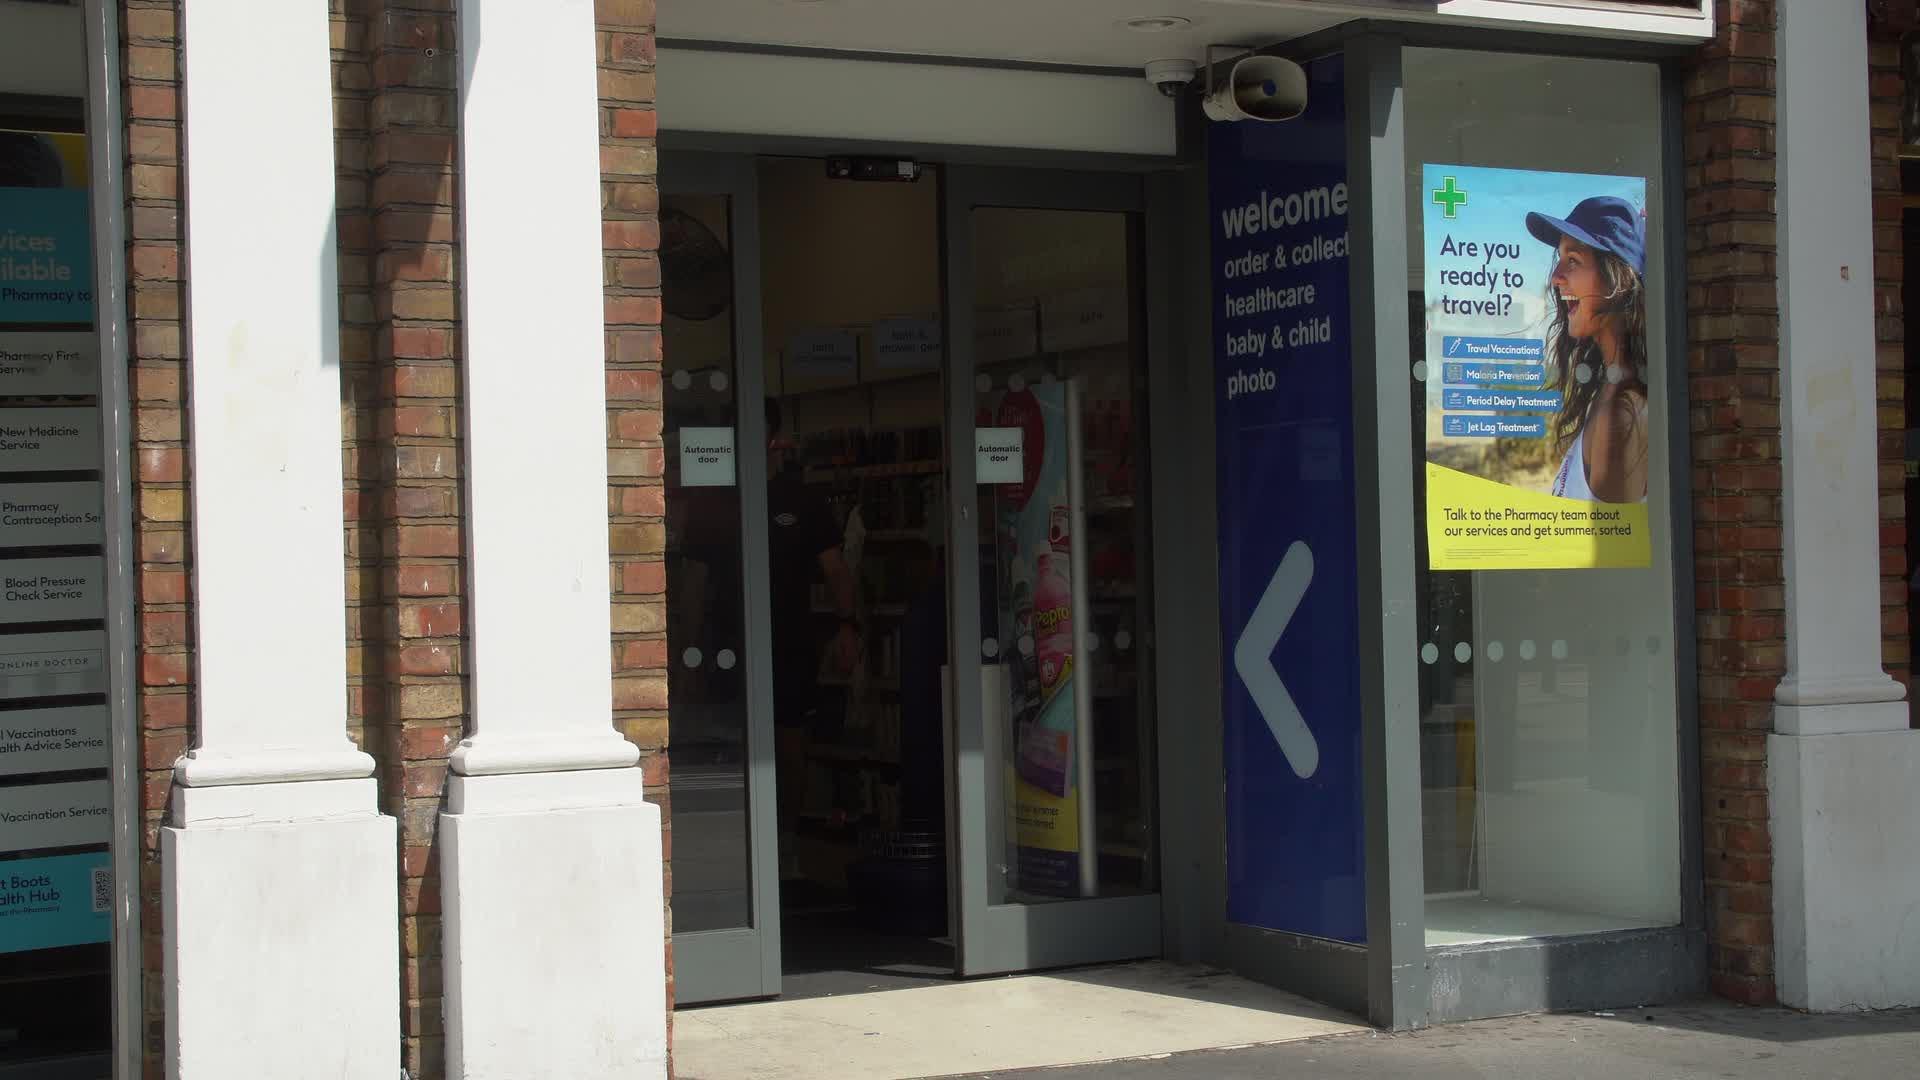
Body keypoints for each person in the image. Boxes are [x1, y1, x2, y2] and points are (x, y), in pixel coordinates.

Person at [764, 399, 859, 875]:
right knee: (729, 747)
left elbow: (836, 569)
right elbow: (697, 573)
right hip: (728, 648)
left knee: (790, 747)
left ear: (773, 438)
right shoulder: (717, 495)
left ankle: (785, 843)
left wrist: (847, 625)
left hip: (789, 644)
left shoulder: (801, 500)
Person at [1525, 195, 1651, 504]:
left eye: (1574, 260)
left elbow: (1617, 535)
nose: (1556, 277)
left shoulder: (1621, 413)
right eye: (1559, 258)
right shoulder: (1609, 390)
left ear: (1617, 278)